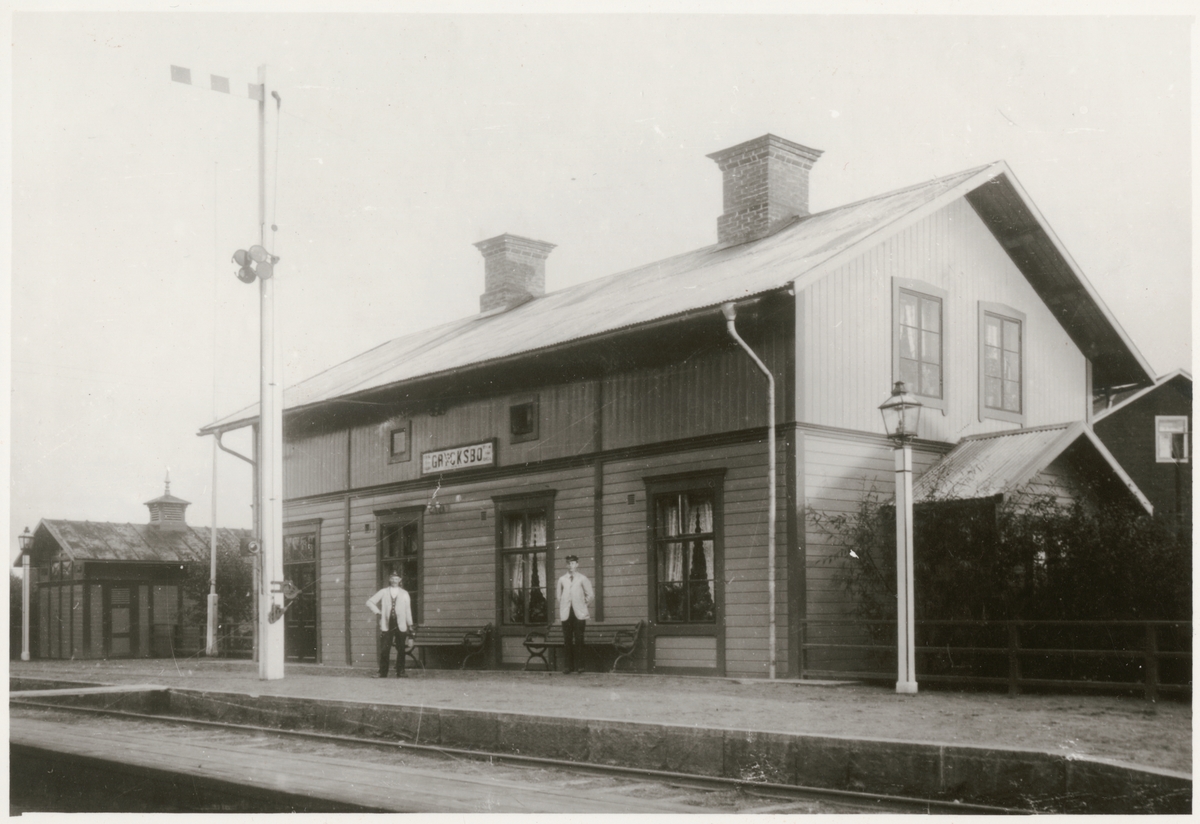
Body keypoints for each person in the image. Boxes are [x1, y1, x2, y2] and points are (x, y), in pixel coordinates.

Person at [367, 572, 415, 678]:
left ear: (400, 580)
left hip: (401, 624)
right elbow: (369, 602)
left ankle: (400, 671)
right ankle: (382, 672)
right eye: (392, 578)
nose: (394, 581)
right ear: (389, 580)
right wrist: (378, 612)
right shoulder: (383, 592)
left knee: (401, 648)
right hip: (387, 624)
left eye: (396, 579)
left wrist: (410, 624)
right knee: (385, 649)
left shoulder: (404, 593)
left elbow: (408, 610)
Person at [555, 554, 593, 674]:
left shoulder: (582, 578)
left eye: (573, 563)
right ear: (566, 565)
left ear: (577, 564)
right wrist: (566, 605)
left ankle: (580, 666)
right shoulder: (562, 580)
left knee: (579, 639)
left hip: (579, 614)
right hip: (566, 613)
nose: (571, 565)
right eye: (568, 563)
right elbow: (559, 597)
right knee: (567, 640)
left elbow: (590, 595)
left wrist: (582, 605)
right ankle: (568, 666)